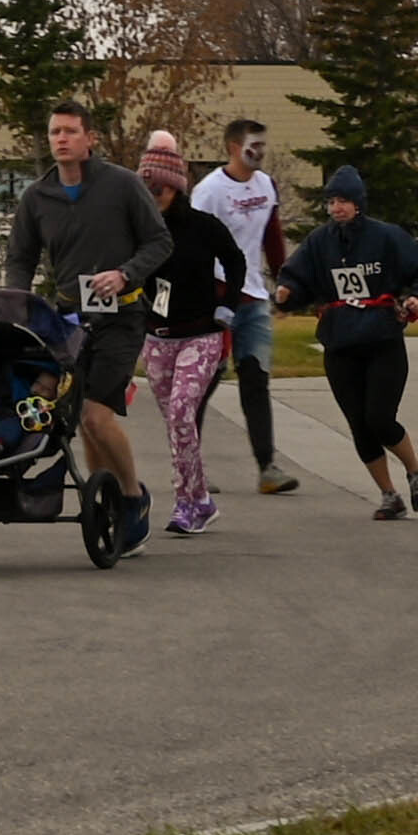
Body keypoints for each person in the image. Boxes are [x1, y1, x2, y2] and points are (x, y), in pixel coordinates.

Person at [4, 100, 176, 552]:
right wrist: (16, 304)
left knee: (96, 416)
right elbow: (19, 258)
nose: (60, 139)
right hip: (69, 319)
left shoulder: (121, 185)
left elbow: (160, 241)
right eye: (55, 131)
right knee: (82, 422)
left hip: (122, 316)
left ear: (89, 140)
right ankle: (105, 499)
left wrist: (125, 273)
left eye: (70, 131)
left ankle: (133, 497)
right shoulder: (37, 197)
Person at [274, 165, 418, 520]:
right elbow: (297, 278)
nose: (337, 208)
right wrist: (287, 294)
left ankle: (416, 471)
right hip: (340, 347)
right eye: (331, 201)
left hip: (382, 343)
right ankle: (388, 494)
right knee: (359, 425)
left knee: (379, 418)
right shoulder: (320, 242)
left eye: (344, 201)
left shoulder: (386, 238)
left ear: (359, 204)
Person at [133, 132, 246, 535]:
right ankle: (201, 501)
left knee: (183, 412)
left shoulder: (202, 226)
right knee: (177, 426)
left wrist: (226, 307)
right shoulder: (140, 231)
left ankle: (185, 503)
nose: (155, 195)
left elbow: (235, 261)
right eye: (147, 189)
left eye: (160, 188)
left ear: (176, 188)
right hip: (157, 338)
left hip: (201, 335)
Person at [191, 118, 298, 494]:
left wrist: (285, 281)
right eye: (254, 145)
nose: (261, 151)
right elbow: (194, 247)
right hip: (218, 296)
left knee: (256, 378)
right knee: (204, 381)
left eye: (264, 145)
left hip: (253, 298)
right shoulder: (209, 193)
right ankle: (191, 467)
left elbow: (271, 235)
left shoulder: (265, 185)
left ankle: (267, 466)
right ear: (234, 147)